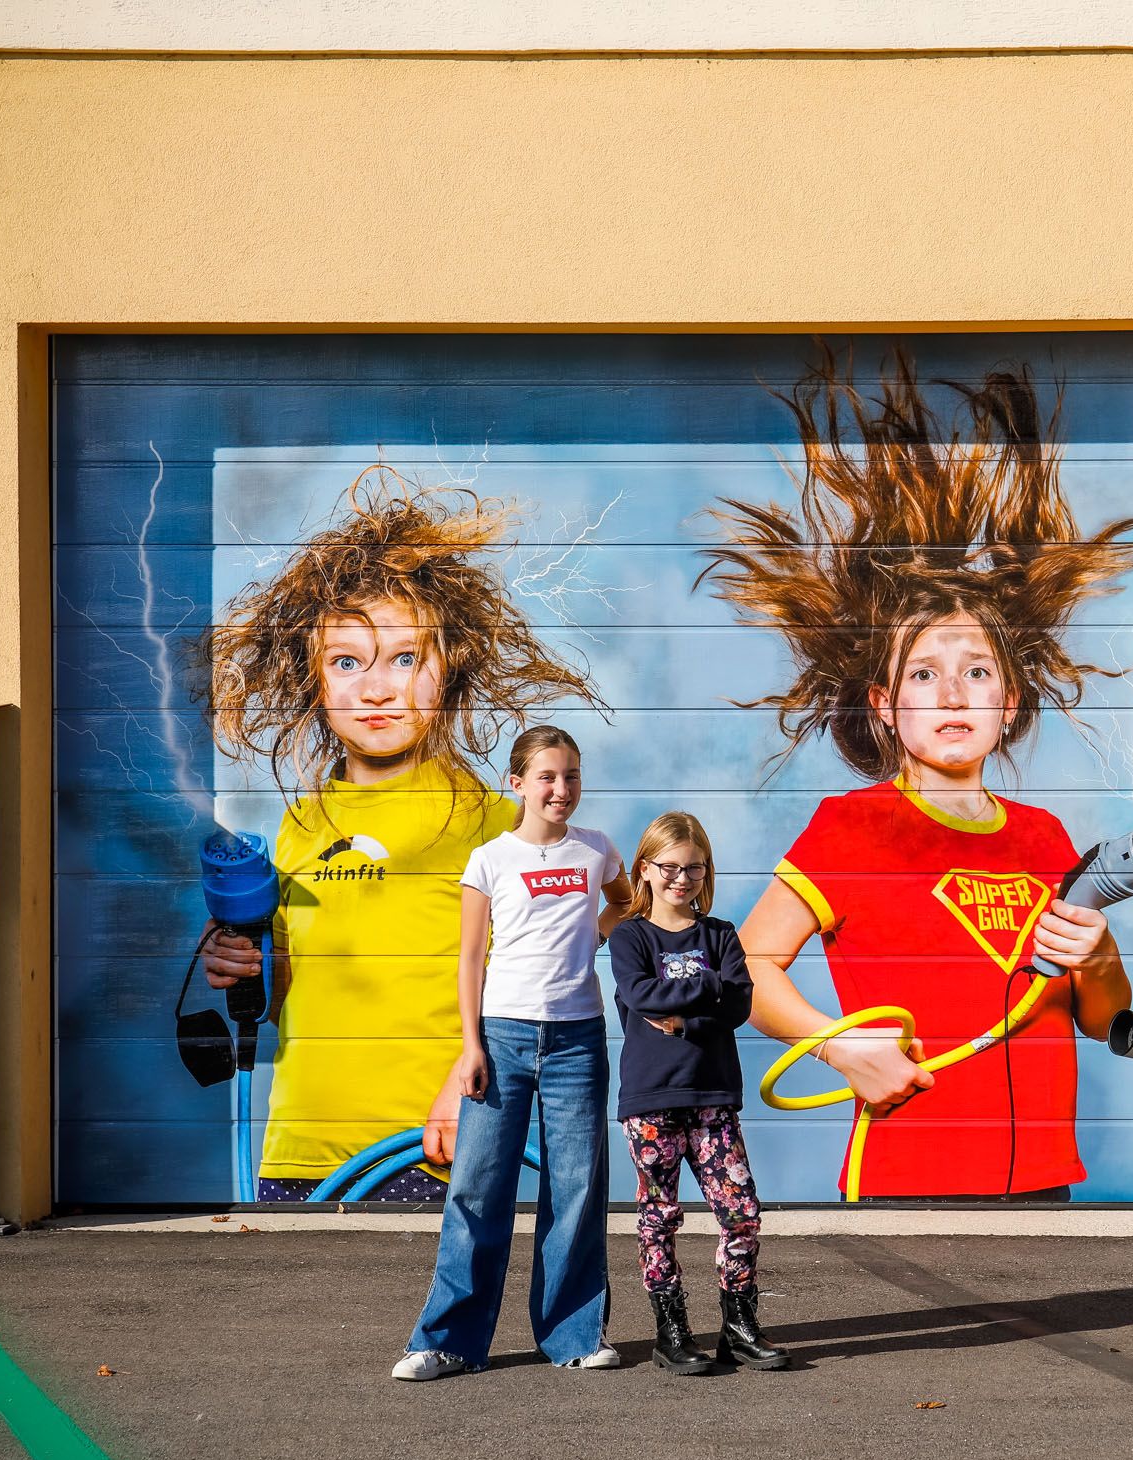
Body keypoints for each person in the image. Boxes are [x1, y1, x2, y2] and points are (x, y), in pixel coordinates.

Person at [702, 348, 1133, 1200]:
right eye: (924, 673)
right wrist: (837, 1045)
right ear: (883, 704)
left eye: (977, 671)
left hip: (1046, 1186)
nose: (953, 692)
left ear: (1010, 697)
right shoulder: (851, 825)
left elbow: (1098, 1020)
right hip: (908, 1177)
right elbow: (745, 970)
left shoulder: (1044, 837)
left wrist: (1099, 958)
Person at [192, 465, 599, 1201]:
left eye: (405, 658)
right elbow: (294, 992)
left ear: (450, 668)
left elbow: (544, 981)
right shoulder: (301, 823)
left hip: (436, 1146)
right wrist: (247, 964)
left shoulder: (490, 820)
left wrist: (463, 1083)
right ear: (315, 678)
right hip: (299, 1151)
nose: (376, 688)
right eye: (347, 662)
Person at [393, 725, 633, 1379]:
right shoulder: (490, 859)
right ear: (517, 782)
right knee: (478, 1188)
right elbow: (471, 958)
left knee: (577, 1189)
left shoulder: (598, 851)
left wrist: (598, 932)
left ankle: (573, 1336)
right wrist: (470, 1046)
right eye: (548, 776)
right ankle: (445, 1340)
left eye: (572, 775)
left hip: (578, 1041)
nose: (562, 788)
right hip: (501, 1039)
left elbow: (627, 903)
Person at [610, 811, 788, 1374]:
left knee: (741, 1214)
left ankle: (738, 1327)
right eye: (669, 867)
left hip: (712, 1097)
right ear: (644, 870)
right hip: (652, 1100)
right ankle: (671, 1333)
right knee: (658, 1216)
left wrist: (689, 1014)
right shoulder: (630, 936)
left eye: (693, 868)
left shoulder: (720, 935)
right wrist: (707, 989)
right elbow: (641, 995)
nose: (681, 879)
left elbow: (738, 1004)